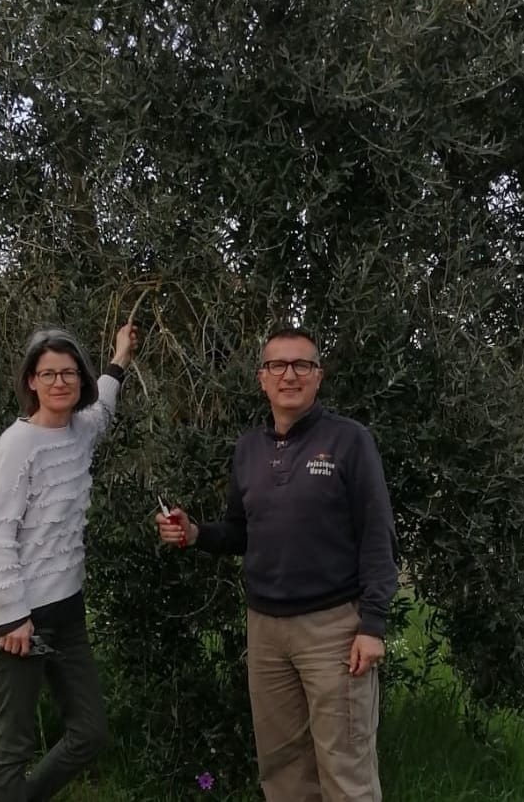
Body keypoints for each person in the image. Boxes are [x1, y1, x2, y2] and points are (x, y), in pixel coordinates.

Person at [156, 327, 398, 802]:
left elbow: (377, 534)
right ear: (262, 378)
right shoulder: (248, 449)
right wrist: (196, 533)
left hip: (334, 631)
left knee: (345, 768)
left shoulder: (350, 440)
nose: (290, 375)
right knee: (282, 767)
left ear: (318, 377)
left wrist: (373, 625)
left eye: (301, 365)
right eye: (277, 366)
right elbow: (241, 531)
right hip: (265, 630)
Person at [0, 322, 137, 802]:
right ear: (31, 381)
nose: (60, 382)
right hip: (22, 619)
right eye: (49, 374)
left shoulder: (79, 431)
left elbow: (103, 407)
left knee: (90, 732)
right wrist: (13, 618)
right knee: (16, 741)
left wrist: (120, 357)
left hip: (68, 612)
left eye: (69, 373)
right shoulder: (16, 446)